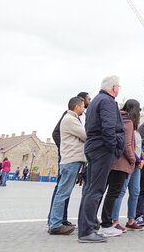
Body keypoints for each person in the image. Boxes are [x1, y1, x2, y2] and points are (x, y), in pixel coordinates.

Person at [77, 76, 125, 243]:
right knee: (96, 190)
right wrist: (113, 148)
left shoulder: (97, 100)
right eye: (118, 86)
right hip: (102, 149)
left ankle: (86, 227)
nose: (119, 89)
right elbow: (109, 128)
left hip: (94, 147)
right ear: (113, 88)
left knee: (90, 189)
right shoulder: (108, 101)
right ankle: (86, 231)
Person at [48, 96, 87, 235]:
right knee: (63, 193)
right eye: (82, 106)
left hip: (69, 160)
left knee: (62, 192)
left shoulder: (71, 119)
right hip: (71, 161)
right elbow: (85, 135)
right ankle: (55, 224)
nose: (84, 108)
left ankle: (54, 222)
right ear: (77, 107)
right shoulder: (70, 119)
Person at [107, 99, 143, 234]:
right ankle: (114, 220)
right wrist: (134, 159)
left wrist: (142, 158)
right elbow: (127, 146)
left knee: (135, 191)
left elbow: (138, 146)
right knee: (120, 191)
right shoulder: (125, 122)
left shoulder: (134, 126)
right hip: (127, 162)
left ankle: (131, 220)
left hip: (136, 163)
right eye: (138, 110)